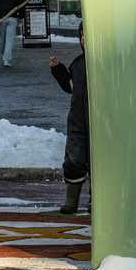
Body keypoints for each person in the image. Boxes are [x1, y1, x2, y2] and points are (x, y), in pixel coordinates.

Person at [48, 24, 90, 214]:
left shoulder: (106, 62)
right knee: (74, 159)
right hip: (77, 121)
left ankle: (95, 200)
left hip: (99, 123)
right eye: (81, 35)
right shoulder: (79, 63)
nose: (83, 39)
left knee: (99, 162)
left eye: (87, 35)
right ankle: (71, 199)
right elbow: (69, 86)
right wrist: (59, 70)